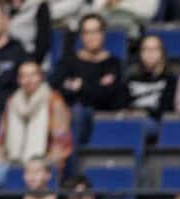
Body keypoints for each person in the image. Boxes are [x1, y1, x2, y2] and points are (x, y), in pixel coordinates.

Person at [52, 13, 126, 147]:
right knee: (76, 111)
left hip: (104, 115)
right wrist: (96, 87)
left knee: (80, 110)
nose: (91, 37)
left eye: (95, 31)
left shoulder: (113, 64)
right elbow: (56, 87)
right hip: (70, 114)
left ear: (103, 34)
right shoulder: (68, 61)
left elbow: (110, 96)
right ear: (81, 36)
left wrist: (79, 86)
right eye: (87, 32)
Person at [0, 60, 74, 178]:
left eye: (32, 75)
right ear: (18, 80)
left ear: (40, 77)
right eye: (23, 76)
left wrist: (45, 164)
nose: (28, 80)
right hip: (13, 162)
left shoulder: (53, 100)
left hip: (42, 164)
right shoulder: (12, 101)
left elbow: (62, 141)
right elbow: (0, 138)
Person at [125, 34, 180, 122]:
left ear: (162, 52)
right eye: (145, 49)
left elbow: (166, 110)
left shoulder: (170, 79)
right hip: (132, 122)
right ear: (140, 53)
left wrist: (143, 113)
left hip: (156, 123)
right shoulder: (130, 79)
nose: (150, 53)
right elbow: (122, 106)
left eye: (154, 49)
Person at [87, 0, 159, 36]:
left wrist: (119, 5)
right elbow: (94, 13)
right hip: (104, 35)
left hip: (134, 37)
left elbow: (148, 15)